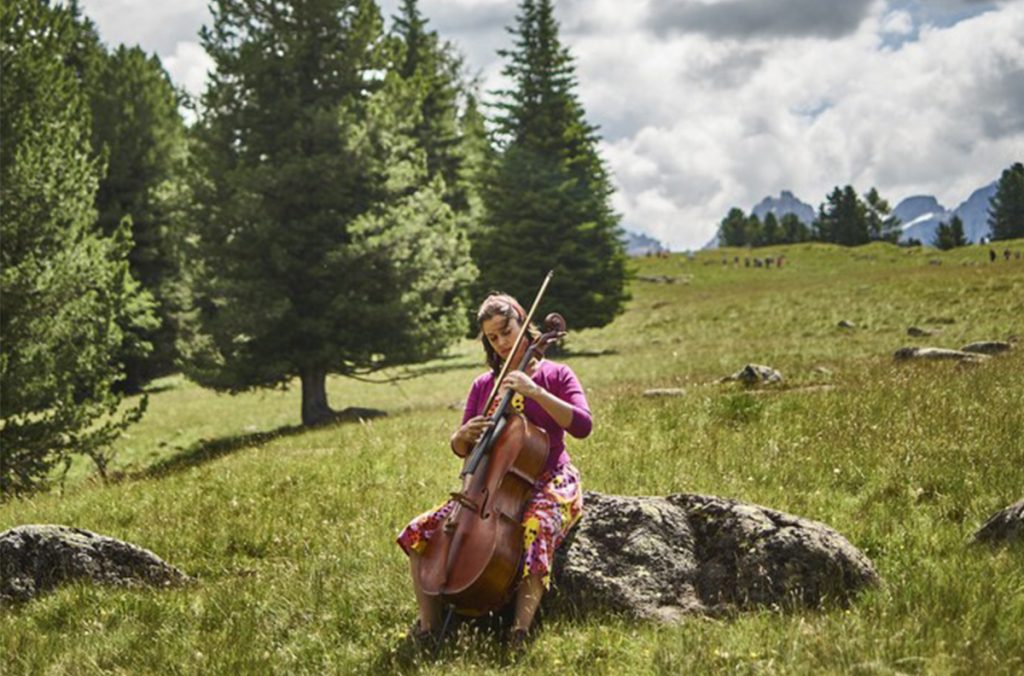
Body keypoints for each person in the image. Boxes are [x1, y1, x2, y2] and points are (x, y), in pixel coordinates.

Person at [397, 292, 591, 649]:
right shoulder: (484, 385)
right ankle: (428, 628)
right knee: (417, 532)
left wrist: (535, 392)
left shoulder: (556, 374)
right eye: (493, 337)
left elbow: (582, 425)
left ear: (524, 325)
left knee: (537, 524)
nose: (501, 342)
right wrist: (460, 437)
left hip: (552, 478)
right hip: (490, 488)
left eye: (506, 331)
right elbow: (465, 452)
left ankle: (519, 631)